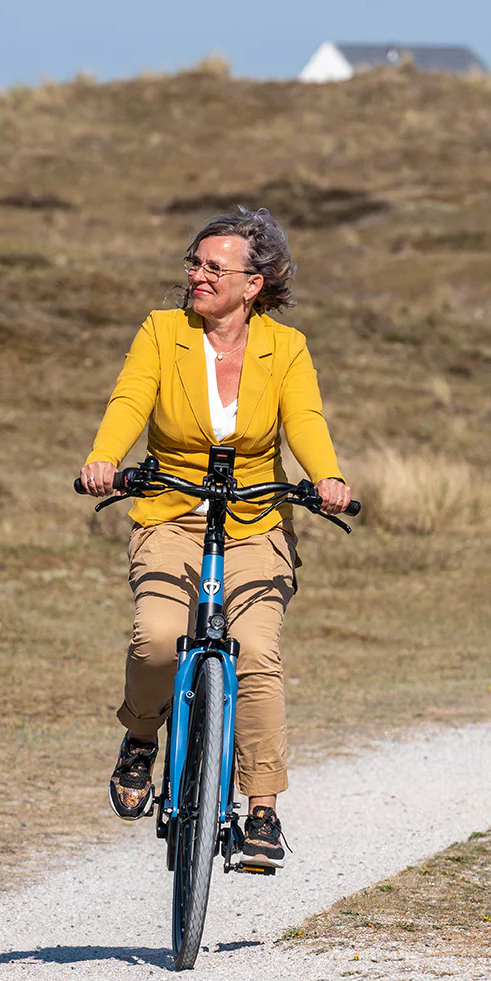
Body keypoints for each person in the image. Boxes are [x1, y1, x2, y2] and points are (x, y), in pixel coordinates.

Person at [79, 208, 351, 870]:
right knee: (155, 637)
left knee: (254, 650)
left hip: (255, 520)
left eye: (213, 267)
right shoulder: (162, 332)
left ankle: (261, 809)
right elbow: (129, 401)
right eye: (193, 264)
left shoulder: (285, 348)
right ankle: (142, 739)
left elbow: (305, 421)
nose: (197, 276)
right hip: (171, 514)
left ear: (253, 284)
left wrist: (327, 477)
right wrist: (104, 458)